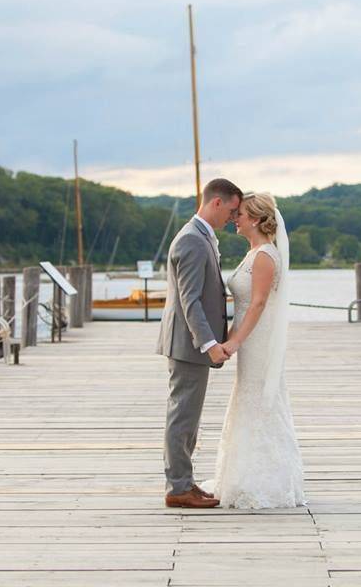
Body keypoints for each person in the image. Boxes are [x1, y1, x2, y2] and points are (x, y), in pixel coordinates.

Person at [202, 192, 306, 509]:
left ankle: (266, 481)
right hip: (249, 339)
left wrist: (234, 341)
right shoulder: (253, 253)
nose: (236, 219)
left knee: (261, 402)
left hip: (259, 342)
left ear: (258, 220)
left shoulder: (265, 257)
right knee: (247, 401)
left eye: (242, 215)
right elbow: (244, 305)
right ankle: (241, 474)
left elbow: (258, 303)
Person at [157, 178, 242, 508]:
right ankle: (178, 488)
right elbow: (189, 300)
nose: (233, 218)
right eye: (232, 211)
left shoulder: (201, 237)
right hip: (188, 344)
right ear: (216, 203)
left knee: (187, 416)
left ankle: (184, 481)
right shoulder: (192, 240)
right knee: (183, 416)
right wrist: (209, 343)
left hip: (189, 343)